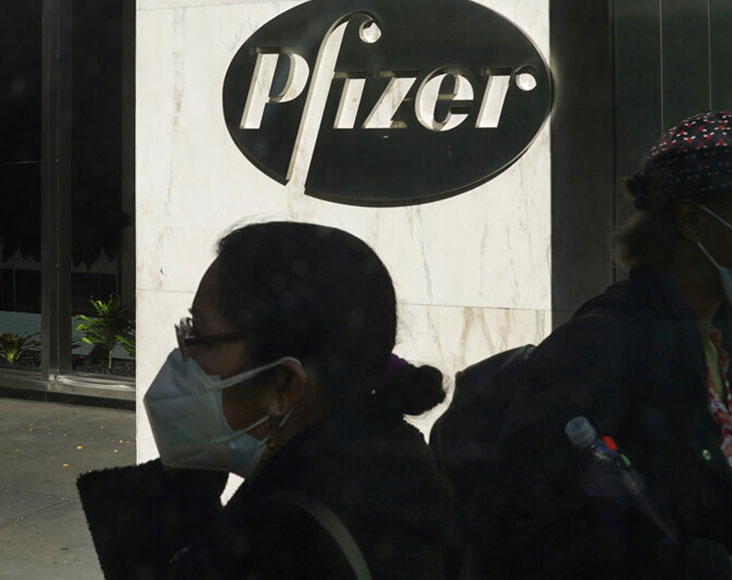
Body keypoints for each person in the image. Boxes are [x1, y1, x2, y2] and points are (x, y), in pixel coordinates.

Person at [469, 112, 732, 579]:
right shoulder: (603, 346)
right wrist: (694, 566)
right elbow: (528, 530)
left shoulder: (723, 341)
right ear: (692, 219)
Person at [77, 222, 453, 579]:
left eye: (201, 338)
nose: (183, 357)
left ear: (283, 386)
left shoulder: (282, 546)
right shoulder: (391, 480)